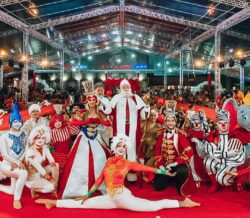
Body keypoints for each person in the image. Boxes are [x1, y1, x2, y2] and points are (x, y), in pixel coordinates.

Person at [36, 134, 200, 211]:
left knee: (152, 207)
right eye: (119, 146)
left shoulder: (127, 163)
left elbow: (147, 168)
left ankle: (181, 203)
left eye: (124, 147)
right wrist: (88, 194)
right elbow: (100, 179)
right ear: (115, 148)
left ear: (126, 148)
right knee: (82, 204)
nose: (121, 149)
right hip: (110, 199)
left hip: (123, 198)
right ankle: (54, 203)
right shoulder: (109, 161)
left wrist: (165, 173)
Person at [59, 94, 111, 199]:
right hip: (83, 138)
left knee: (100, 158)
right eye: (90, 100)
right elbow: (73, 121)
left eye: (93, 100)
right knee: (80, 162)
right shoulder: (83, 112)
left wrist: (99, 121)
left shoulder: (100, 113)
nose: (91, 102)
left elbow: (108, 123)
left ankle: (100, 186)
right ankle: (78, 189)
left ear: (97, 101)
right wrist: (85, 122)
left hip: (96, 137)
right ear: (87, 102)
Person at [105, 79, 150, 181]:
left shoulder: (136, 98)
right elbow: (108, 111)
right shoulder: (116, 97)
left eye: (127, 86)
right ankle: (120, 172)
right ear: (120, 88)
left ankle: (131, 172)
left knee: (131, 146)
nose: (125, 88)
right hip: (120, 126)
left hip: (133, 127)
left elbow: (143, 115)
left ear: (130, 87)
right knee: (120, 146)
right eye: (123, 87)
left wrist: (146, 108)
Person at [153, 111, 197, 197]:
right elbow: (157, 151)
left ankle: (179, 184)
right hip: (165, 165)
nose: (170, 123)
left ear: (175, 122)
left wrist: (175, 163)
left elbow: (189, 151)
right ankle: (171, 178)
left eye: (172, 120)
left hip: (177, 165)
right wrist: (162, 167)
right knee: (158, 187)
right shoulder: (161, 134)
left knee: (183, 171)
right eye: (168, 120)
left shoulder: (180, 135)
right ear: (165, 122)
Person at [203, 108, 246, 193]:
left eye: (225, 122)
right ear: (217, 123)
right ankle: (214, 184)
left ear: (229, 123)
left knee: (222, 180)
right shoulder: (212, 135)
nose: (223, 125)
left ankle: (235, 181)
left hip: (231, 164)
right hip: (220, 160)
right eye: (220, 122)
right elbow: (211, 152)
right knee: (207, 161)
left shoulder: (236, 134)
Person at [0, 101, 28, 209]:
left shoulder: (24, 134)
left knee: (12, 190)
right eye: (15, 121)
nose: (17, 123)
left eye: (19, 121)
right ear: (10, 123)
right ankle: (17, 200)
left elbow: (26, 149)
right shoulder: (4, 136)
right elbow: (5, 154)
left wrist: (19, 161)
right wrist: (17, 162)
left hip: (18, 165)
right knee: (24, 173)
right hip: (7, 166)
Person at [25, 125, 59, 198]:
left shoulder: (44, 147)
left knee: (56, 165)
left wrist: (53, 163)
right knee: (51, 187)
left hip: (41, 171)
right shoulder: (30, 152)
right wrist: (47, 176)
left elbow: (50, 158)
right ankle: (33, 189)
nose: (41, 140)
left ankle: (54, 190)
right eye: (38, 138)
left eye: (43, 138)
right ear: (34, 139)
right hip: (33, 177)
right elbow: (37, 166)